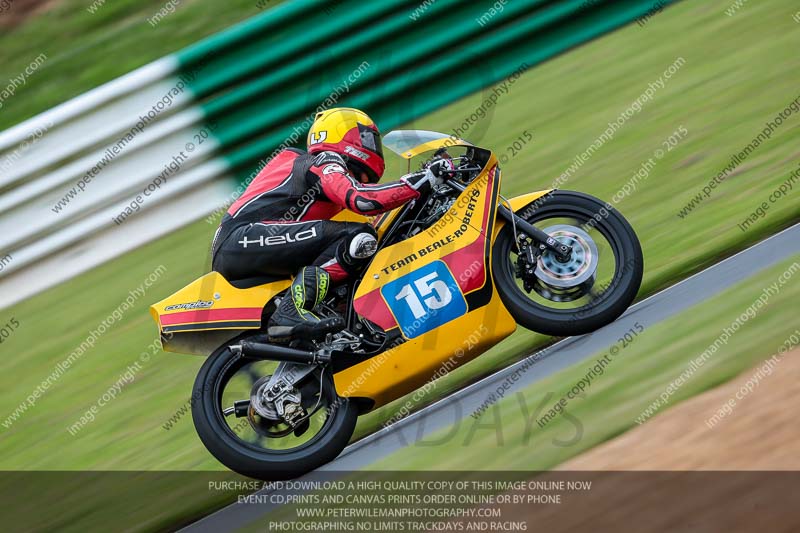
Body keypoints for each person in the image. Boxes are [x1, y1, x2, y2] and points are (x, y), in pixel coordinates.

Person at [211, 107, 438, 339]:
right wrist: (421, 180)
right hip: (241, 237)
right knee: (358, 237)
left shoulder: (318, 171)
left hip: (244, 243)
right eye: (368, 139)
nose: (374, 148)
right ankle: (291, 310)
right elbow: (362, 200)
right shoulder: (324, 161)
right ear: (345, 136)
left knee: (358, 246)